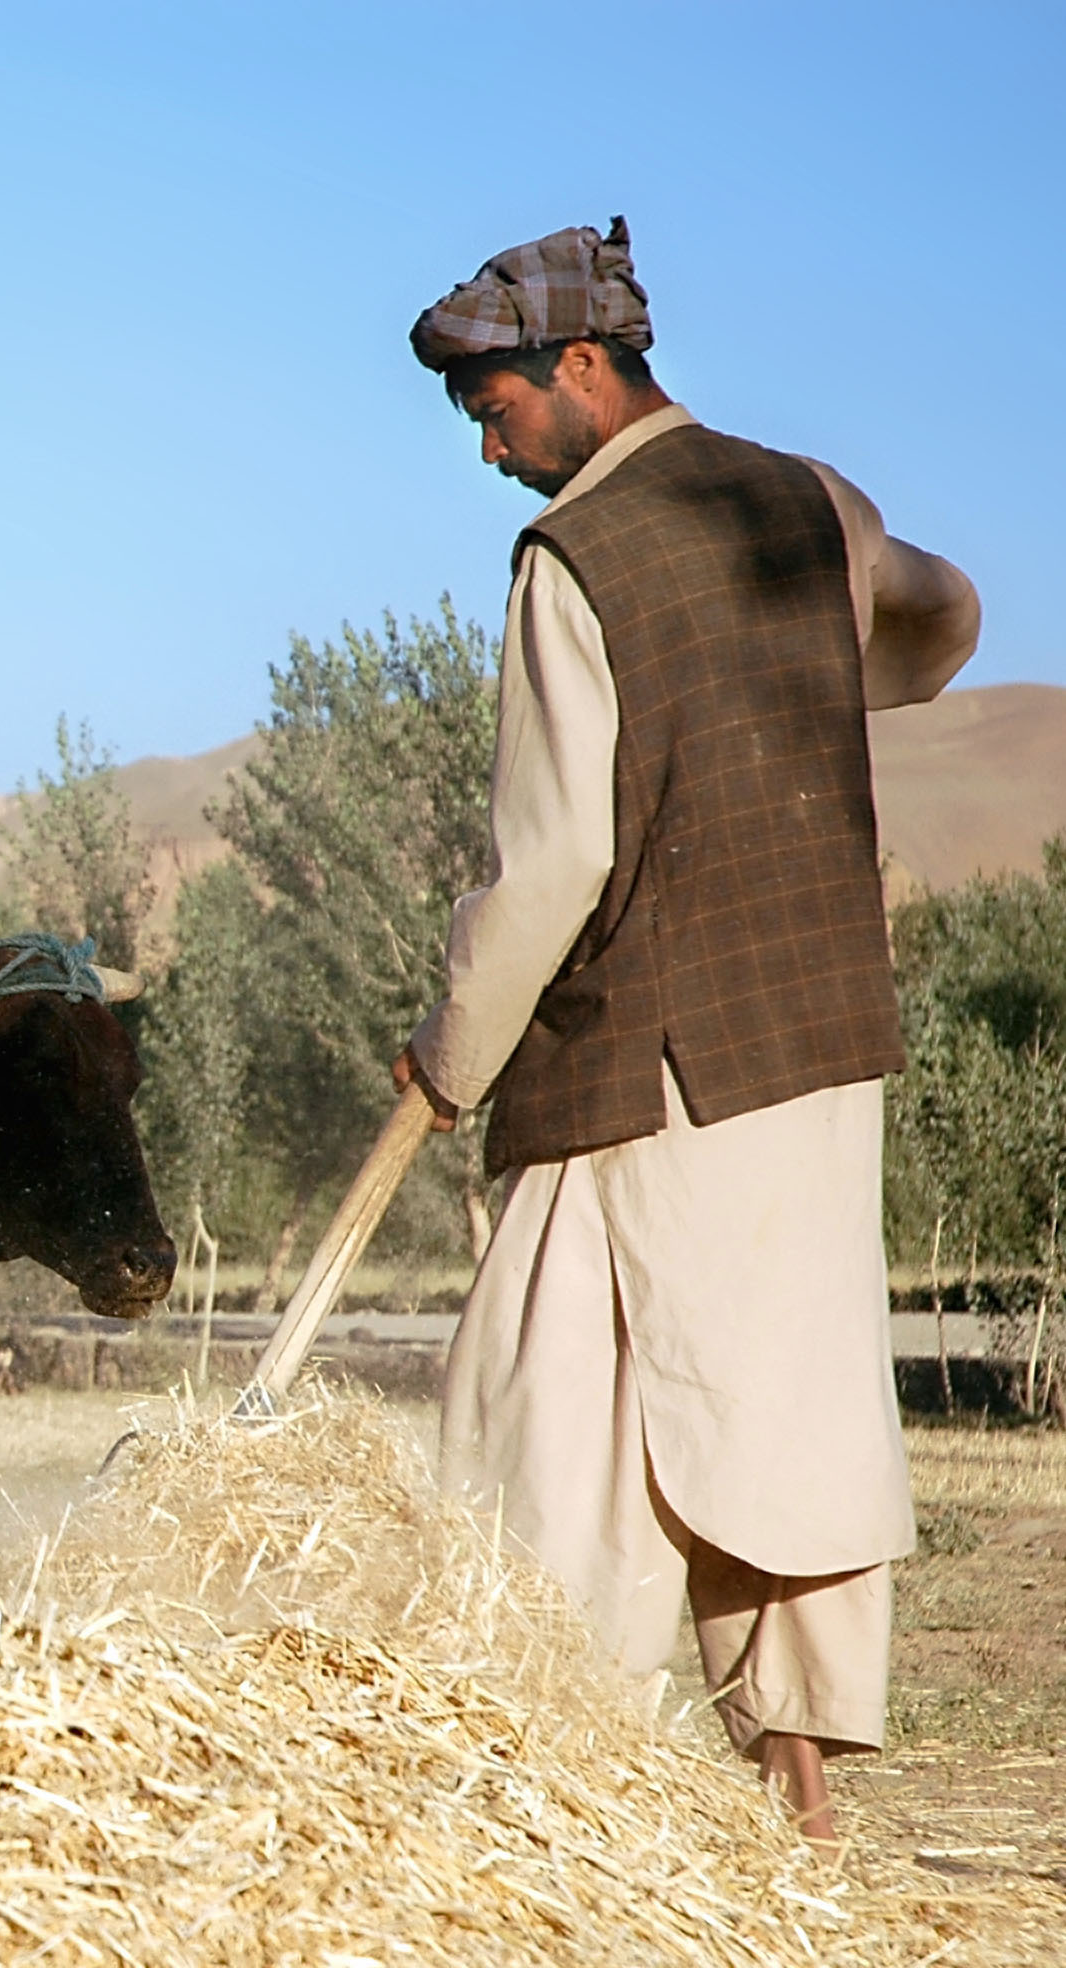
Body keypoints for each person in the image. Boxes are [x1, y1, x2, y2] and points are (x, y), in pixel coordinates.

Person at [393, 217, 980, 1844]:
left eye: (496, 410)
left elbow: (553, 862)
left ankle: (531, 1780)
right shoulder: (810, 505)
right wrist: (829, 665)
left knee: (543, 1407)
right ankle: (801, 1794)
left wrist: (452, 1054)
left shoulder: (572, 558)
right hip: (819, 1039)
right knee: (783, 1403)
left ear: (583, 367)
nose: (491, 449)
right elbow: (944, 610)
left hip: (644, 1066)